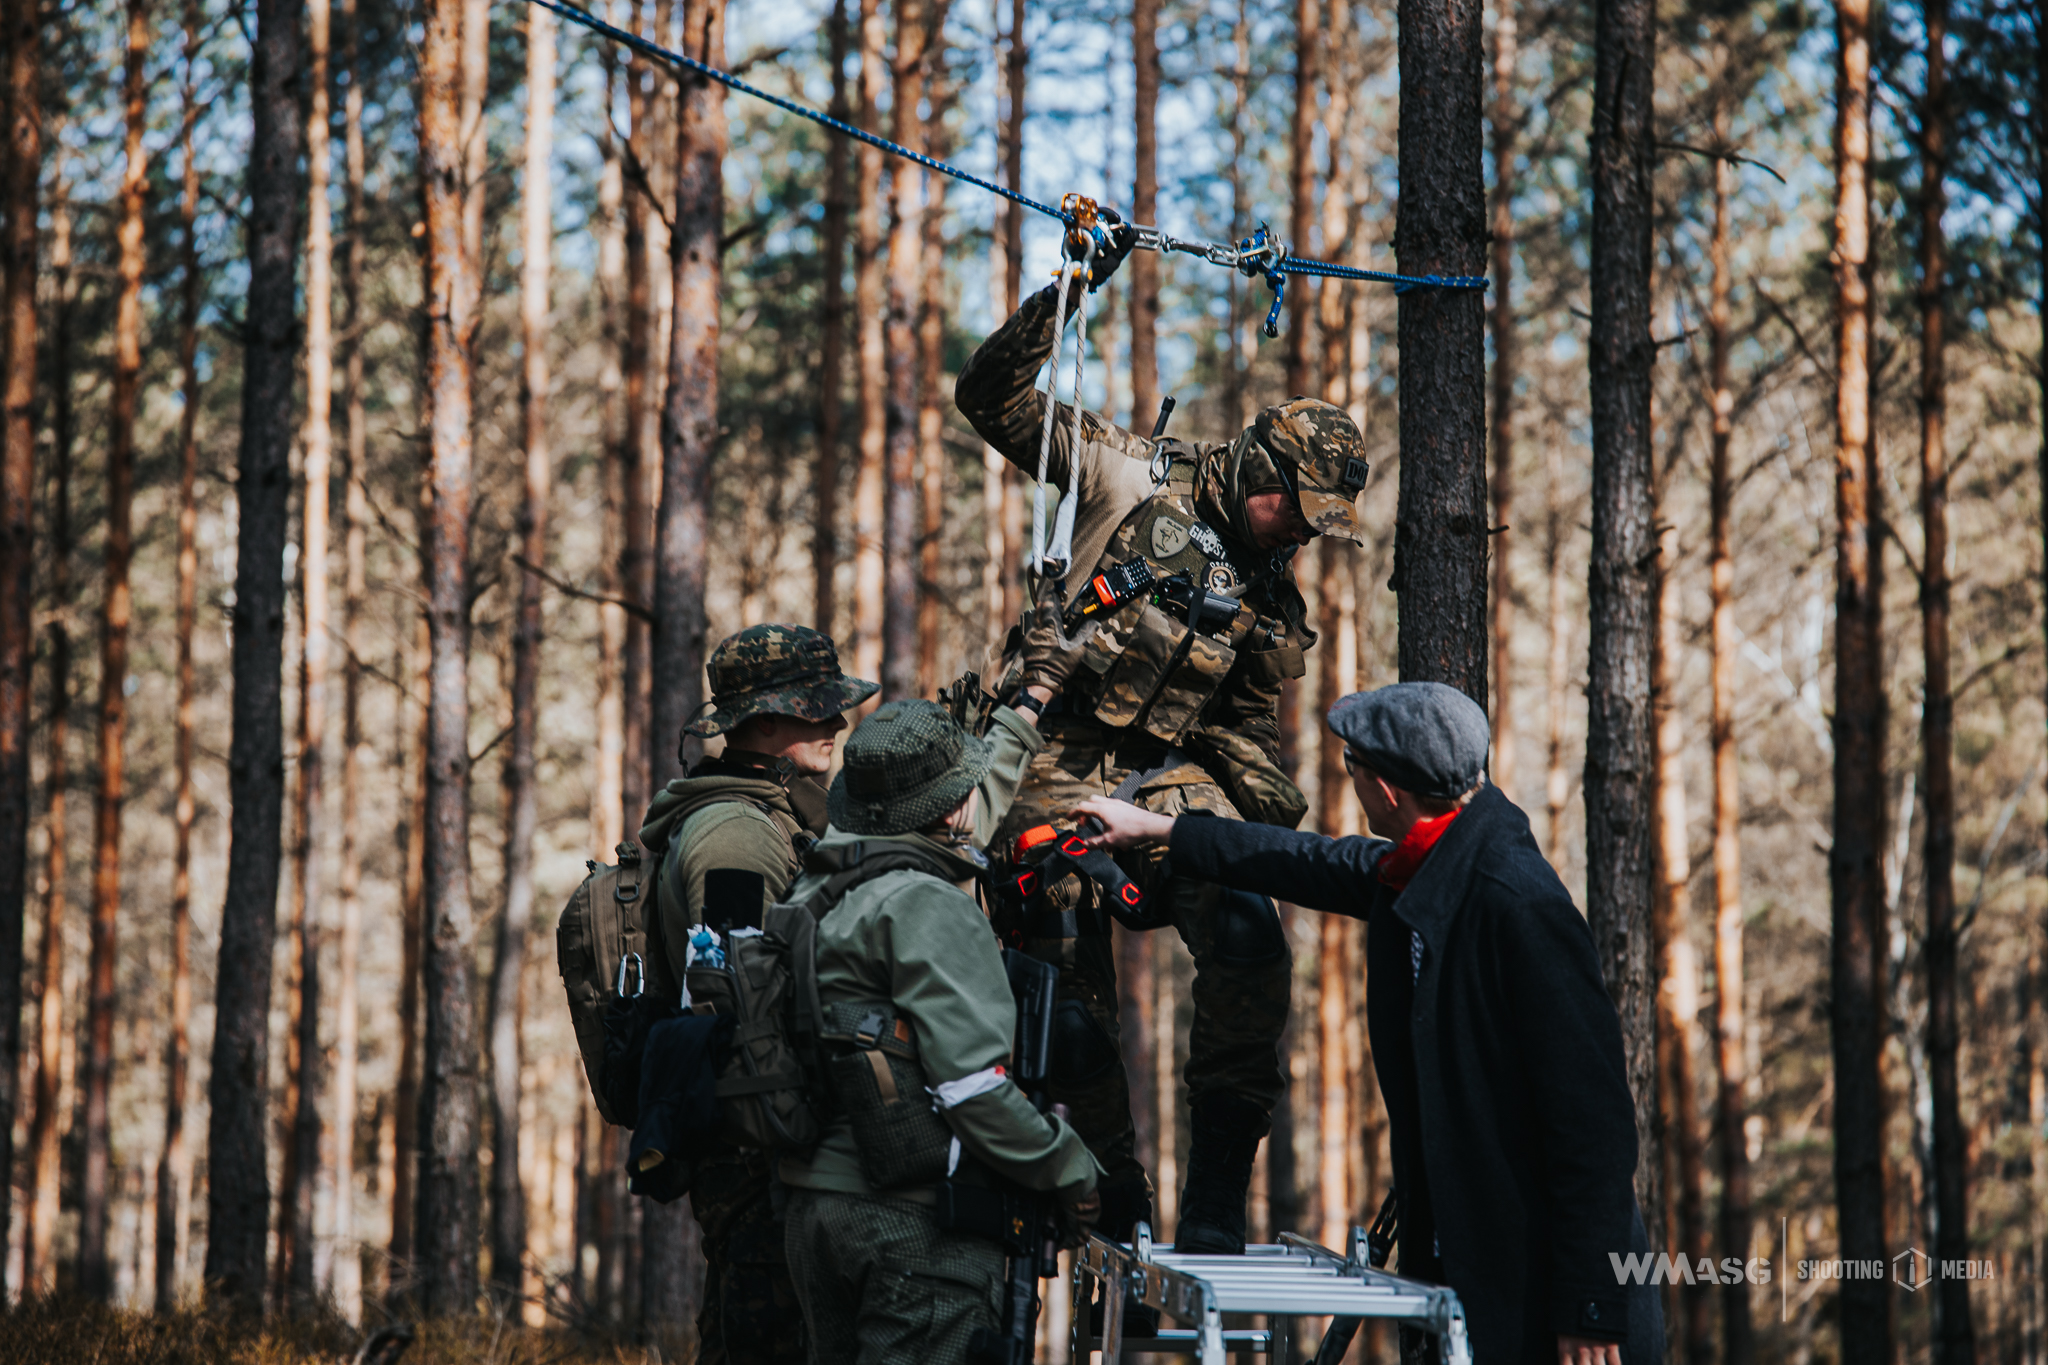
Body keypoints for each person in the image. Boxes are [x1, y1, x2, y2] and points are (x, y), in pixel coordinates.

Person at [954, 226, 1375, 1257]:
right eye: (1298, 510)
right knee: (1067, 1002)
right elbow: (990, 402)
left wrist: (1245, 822)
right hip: (1043, 761)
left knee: (1245, 937)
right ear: (1257, 467)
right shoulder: (1123, 476)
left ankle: (1219, 1204)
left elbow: (1236, 726)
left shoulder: (1270, 583)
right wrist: (1069, 286)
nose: (1300, 534)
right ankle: (1116, 1195)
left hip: (1157, 780)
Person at [1078, 681, 1665, 1365]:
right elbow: (1307, 860)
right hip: (1472, 1279)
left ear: (1386, 789)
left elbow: (1594, 1126)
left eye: (1352, 766)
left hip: (1559, 1311)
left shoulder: (1520, 907)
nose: (1348, 779)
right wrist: (1163, 830)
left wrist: (1591, 1307)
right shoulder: (1427, 864)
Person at [780, 699, 1102, 1365]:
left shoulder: (815, 890)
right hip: (911, 1224)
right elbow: (973, 1090)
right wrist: (1073, 1168)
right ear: (953, 805)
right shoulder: (924, 903)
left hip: (814, 1209)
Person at [636, 623, 878, 1365]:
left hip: (767, 1145)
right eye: (816, 709)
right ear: (764, 723)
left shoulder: (774, 818)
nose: (836, 723)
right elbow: (735, 1000)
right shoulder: (737, 836)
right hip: (755, 1151)